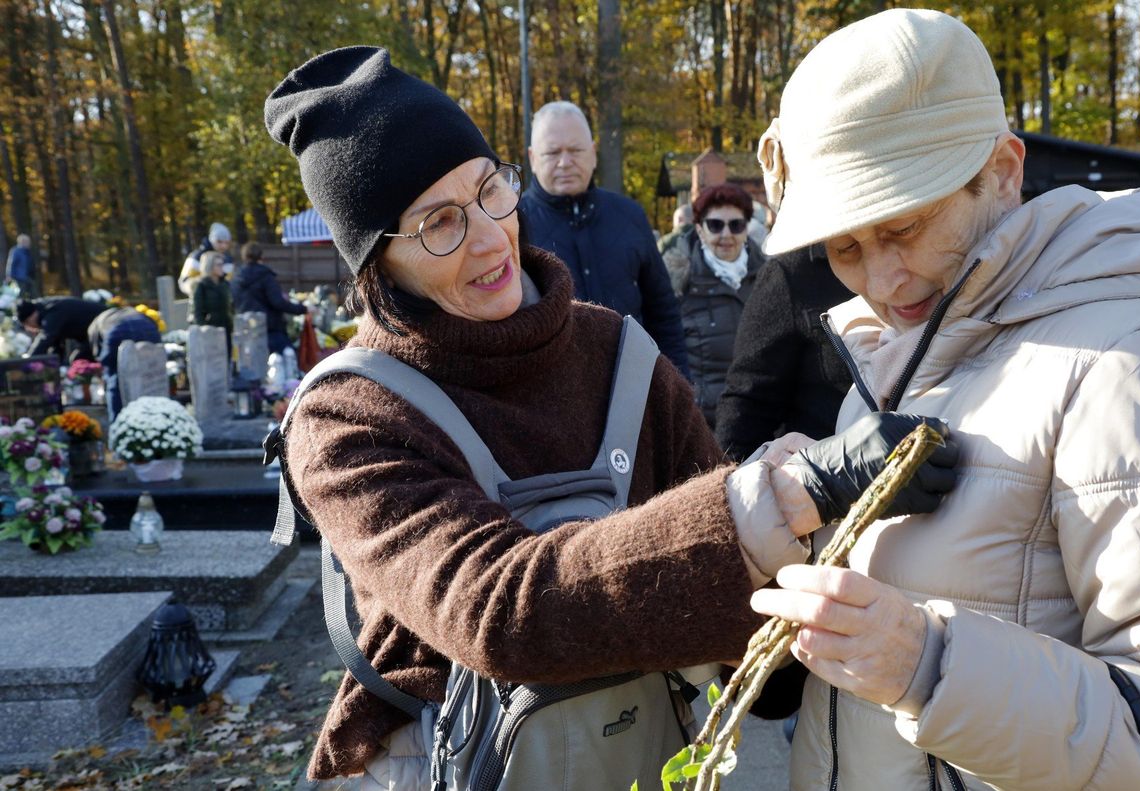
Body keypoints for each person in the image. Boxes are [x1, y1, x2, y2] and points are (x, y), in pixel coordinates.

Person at [262, 46, 958, 786]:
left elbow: (750, 608)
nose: (492, 234)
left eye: (490, 189)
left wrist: (820, 564)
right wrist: (786, 494)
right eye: (439, 223)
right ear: (378, 264)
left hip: (640, 753)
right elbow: (497, 610)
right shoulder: (347, 416)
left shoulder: (618, 352)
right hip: (448, 763)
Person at [746, 9, 1140, 789]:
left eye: (904, 225)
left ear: (1003, 168)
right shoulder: (905, 350)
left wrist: (928, 663)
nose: (883, 279)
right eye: (845, 247)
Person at [519, 101, 689, 377]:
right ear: (533, 158)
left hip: (634, 382)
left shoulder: (630, 215)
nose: (565, 162)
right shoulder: (512, 225)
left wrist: (680, 385)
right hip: (551, 394)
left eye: (575, 150)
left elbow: (663, 313)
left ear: (594, 154)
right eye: (552, 152)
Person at [715, 244, 854, 462]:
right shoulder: (791, 272)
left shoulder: (920, 266)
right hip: (816, 480)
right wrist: (731, 485)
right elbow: (749, 400)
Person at [662, 183, 765, 429]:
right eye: (715, 225)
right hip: (702, 422)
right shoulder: (676, 282)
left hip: (760, 419)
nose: (726, 235)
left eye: (736, 225)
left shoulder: (768, 276)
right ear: (699, 229)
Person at [232, 242, 308, 353]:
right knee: (287, 361)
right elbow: (278, 302)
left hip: (246, 330)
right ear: (261, 256)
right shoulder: (266, 276)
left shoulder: (235, 279)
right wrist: (302, 309)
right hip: (270, 330)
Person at [87, 305, 162, 417]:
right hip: (148, 326)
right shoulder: (123, 311)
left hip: (118, 331)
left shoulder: (94, 325)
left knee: (114, 375)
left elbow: (99, 354)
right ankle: (155, 416)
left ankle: (118, 421)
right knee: (152, 374)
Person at [17, 297, 106, 361]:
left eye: (27, 324)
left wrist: (29, 359)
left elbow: (46, 338)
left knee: (79, 360)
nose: (30, 328)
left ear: (30, 318)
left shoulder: (51, 311)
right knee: (79, 359)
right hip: (95, 332)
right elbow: (56, 347)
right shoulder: (46, 309)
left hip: (104, 328)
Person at [178, 222, 233, 296]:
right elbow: (184, 282)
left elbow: (229, 282)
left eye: (226, 243)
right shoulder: (196, 257)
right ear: (212, 240)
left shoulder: (228, 259)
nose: (223, 246)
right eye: (219, 242)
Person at [189, 250, 234, 336]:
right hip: (209, 330)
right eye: (218, 265)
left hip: (226, 329)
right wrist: (204, 329)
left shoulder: (224, 284)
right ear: (209, 266)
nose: (222, 267)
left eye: (222, 264)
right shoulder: (200, 285)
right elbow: (197, 312)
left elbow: (230, 307)